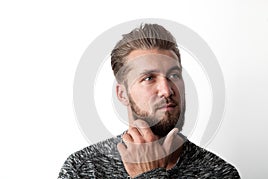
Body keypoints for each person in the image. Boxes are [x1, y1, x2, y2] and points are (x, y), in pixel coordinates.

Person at [58, 23, 240, 178]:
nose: (167, 90)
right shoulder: (83, 169)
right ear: (122, 94)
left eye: (174, 75)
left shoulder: (219, 173)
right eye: (148, 78)